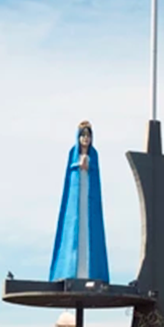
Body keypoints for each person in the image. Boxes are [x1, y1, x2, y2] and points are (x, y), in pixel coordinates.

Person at [49, 121, 110, 282]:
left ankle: (90, 272)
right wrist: (78, 165)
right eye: (83, 135)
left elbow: (95, 176)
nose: (85, 139)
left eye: (88, 135)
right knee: (74, 232)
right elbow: (70, 174)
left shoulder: (94, 155)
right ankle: (69, 270)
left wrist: (88, 165)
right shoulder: (73, 154)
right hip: (77, 202)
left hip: (89, 202)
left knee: (89, 233)